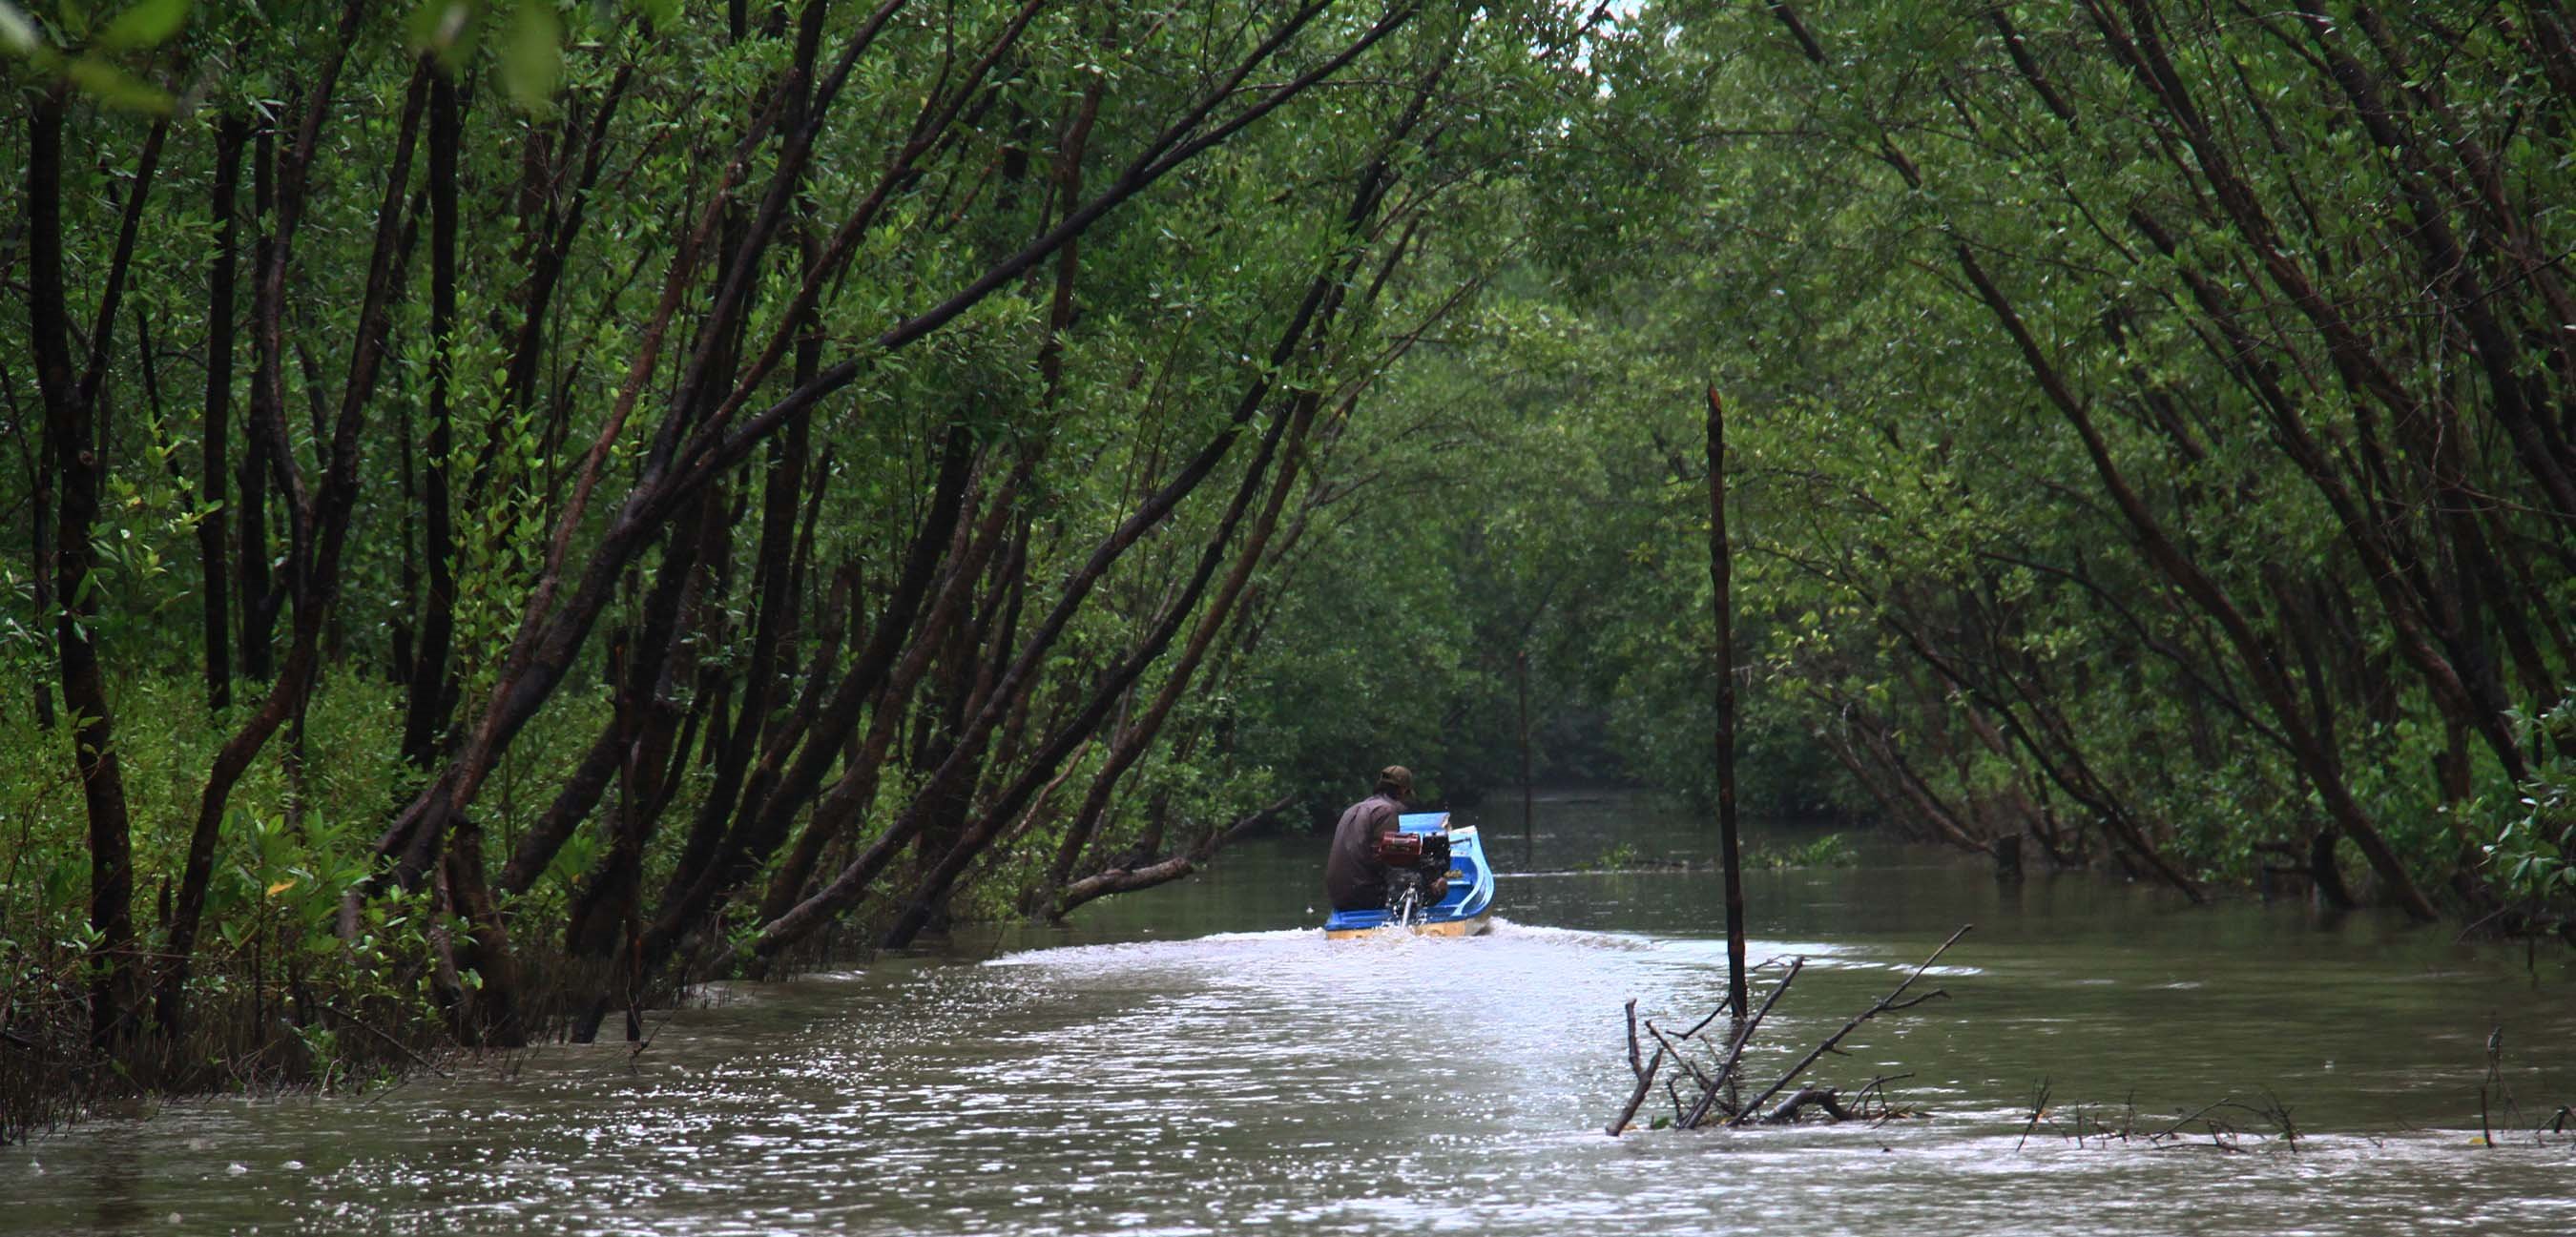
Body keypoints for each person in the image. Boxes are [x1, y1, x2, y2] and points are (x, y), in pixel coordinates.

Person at [1324, 765, 1446, 913]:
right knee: (1434, 888)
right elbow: (1388, 858)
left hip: (1338, 897)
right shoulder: (1386, 811)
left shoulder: (1352, 810)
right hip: (1362, 896)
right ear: (1403, 791)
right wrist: (1429, 875)